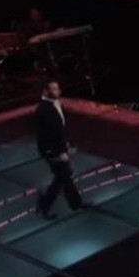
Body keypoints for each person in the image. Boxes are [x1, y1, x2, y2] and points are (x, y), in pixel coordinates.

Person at [35, 80, 84, 219]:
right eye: (54, 89)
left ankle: (75, 204)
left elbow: (61, 129)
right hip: (52, 151)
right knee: (62, 177)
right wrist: (60, 152)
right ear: (45, 92)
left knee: (65, 176)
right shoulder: (44, 109)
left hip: (59, 149)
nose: (58, 91)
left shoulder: (55, 105)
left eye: (58, 88)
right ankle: (45, 205)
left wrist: (67, 146)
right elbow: (49, 135)